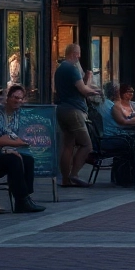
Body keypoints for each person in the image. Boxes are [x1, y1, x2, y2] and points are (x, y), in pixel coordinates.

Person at [54, 43, 99, 187]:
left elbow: (75, 87)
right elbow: (83, 90)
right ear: (73, 54)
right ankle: (74, 174)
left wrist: (86, 82)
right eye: (78, 53)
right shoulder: (72, 68)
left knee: (68, 145)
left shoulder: (60, 69)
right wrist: (95, 90)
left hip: (62, 109)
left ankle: (65, 179)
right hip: (74, 110)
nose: (79, 57)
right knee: (87, 145)